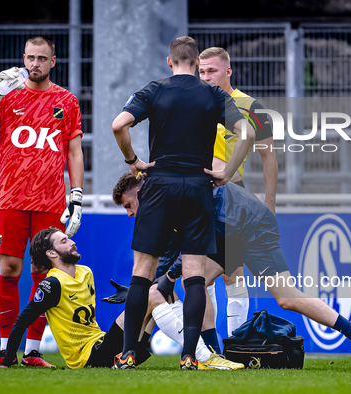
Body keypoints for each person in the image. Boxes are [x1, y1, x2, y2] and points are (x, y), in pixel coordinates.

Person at [114, 172, 351, 371]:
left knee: (286, 298)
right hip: (227, 228)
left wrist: (165, 277)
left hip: (249, 225)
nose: (128, 213)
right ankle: (215, 354)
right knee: (195, 282)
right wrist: (139, 287)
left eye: (128, 205)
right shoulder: (161, 200)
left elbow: (184, 246)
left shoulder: (166, 195)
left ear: (141, 193)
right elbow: (167, 256)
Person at [111, 36, 255, 370]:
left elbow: (119, 124)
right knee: (193, 276)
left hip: (160, 185)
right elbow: (246, 133)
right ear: (195, 62)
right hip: (198, 187)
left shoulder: (154, 89)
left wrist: (133, 160)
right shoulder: (214, 94)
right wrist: (226, 172)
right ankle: (190, 354)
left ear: (170, 62)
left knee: (142, 273)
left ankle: (129, 352)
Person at [0, 35, 84, 367]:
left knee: (44, 274)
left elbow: (74, 151)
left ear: (53, 62)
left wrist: (75, 196)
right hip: (10, 198)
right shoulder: (8, 96)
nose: (35, 64)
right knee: (8, 269)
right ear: (23, 58)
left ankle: (33, 351)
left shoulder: (67, 100)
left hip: (50, 201)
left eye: (41, 58)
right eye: (30, 58)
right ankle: (5, 350)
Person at [199, 46, 278, 336]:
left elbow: (268, 156)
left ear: (228, 71)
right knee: (201, 276)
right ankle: (210, 343)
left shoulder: (250, 107)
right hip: (196, 195)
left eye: (212, 71)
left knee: (229, 275)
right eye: (202, 71)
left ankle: (233, 342)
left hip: (230, 195)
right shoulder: (194, 102)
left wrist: (270, 202)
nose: (206, 77)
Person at [0, 227, 151, 369]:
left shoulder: (86, 272)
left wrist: (132, 295)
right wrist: (7, 361)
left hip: (102, 343)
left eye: (68, 238)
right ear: (52, 253)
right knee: (150, 295)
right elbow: (22, 322)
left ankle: (128, 355)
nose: (72, 242)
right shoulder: (52, 283)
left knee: (156, 292)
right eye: (64, 241)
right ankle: (128, 356)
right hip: (89, 356)